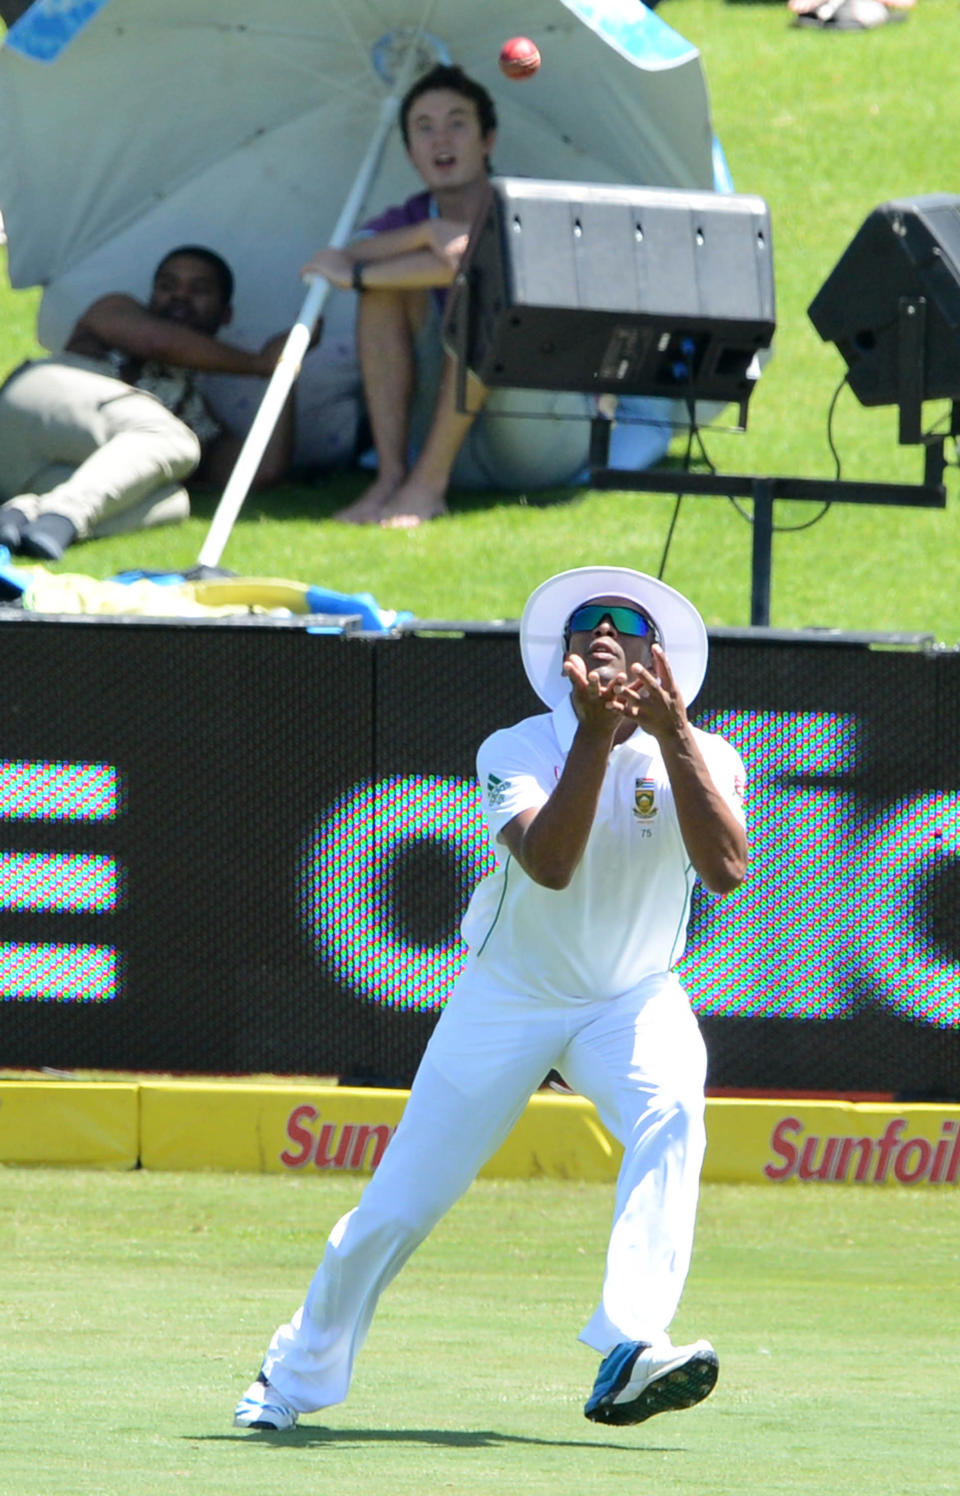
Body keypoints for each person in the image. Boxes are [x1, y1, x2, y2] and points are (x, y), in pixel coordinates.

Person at [234, 563, 748, 1433]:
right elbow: (550, 866)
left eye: (627, 622)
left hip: (630, 998)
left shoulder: (708, 753)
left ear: (662, 657)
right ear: (565, 662)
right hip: (508, 995)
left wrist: (674, 739)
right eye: (588, 622)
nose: (605, 629)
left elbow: (728, 872)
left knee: (674, 1112)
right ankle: (290, 1378)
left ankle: (631, 1342)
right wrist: (597, 738)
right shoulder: (515, 747)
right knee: (401, 1202)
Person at [303, 65, 672, 529]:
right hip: (446, 437)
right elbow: (343, 256)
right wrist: (425, 233)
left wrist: (363, 272)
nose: (442, 139)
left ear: (487, 141)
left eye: (458, 123)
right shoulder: (412, 218)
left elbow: (455, 265)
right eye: (424, 127)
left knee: (482, 292)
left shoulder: (529, 208)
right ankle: (391, 478)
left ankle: (427, 487)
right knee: (382, 294)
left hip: (538, 439)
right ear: (411, 152)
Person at [0, 245, 295, 560]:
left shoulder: (197, 412)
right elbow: (158, 342)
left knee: (174, 501)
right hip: (37, 403)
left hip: (27, 476)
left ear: (226, 314)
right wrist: (258, 364)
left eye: (199, 290)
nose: (179, 296)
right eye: (167, 286)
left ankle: (22, 514)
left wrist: (286, 369)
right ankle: (65, 516)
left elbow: (261, 469)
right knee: (174, 438)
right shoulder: (113, 310)